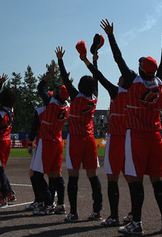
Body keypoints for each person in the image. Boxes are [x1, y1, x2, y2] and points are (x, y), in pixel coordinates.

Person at [100, 19, 162, 235]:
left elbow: (118, 58)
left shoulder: (133, 81)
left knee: (137, 180)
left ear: (141, 69)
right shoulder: (160, 81)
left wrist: (111, 36)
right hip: (155, 135)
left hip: (137, 136)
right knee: (157, 180)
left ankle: (137, 223)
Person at [79, 36, 129, 227]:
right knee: (132, 178)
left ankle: (115, 216)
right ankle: (133, 214)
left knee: (112, 178)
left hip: (116, 139)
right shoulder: (134, 92)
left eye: (121, 77)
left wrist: (88, 60)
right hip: (130, 139)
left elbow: (98, 78)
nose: (119, 77)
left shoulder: (117, 92)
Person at [56, 45, 103, 223]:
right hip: (90, 140)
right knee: (93, 177)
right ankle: (97, 210)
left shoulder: (76, 98)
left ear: (80, 87)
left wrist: (60, 60)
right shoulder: (94, 98)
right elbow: (97, 80)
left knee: (73, 177)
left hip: (75, 139)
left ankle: (74, 212)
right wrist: (94, 61)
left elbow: (66, 82)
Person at [30, 65, 69, 215]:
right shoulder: (67, 106)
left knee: (38, 174)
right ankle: (61, 204)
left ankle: (48, 203)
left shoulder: (50, 103)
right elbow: (61, 95)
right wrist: (62, 83)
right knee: (55, 174)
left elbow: (40, 86)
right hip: (58, 142)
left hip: (46, 142)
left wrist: (50, 75)